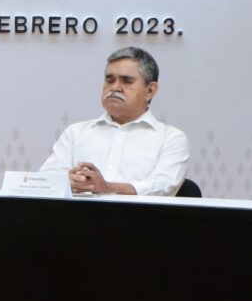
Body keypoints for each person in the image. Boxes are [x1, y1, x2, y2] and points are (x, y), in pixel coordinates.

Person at [40, 46, 189, 196]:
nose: (115, 87)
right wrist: (66, 182)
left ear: (150, 90)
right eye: (109, 80)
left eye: (127, 81)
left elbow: (164, 186)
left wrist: (107, 188)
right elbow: (45, 183)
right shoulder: (76, 133)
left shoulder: (171, 139)